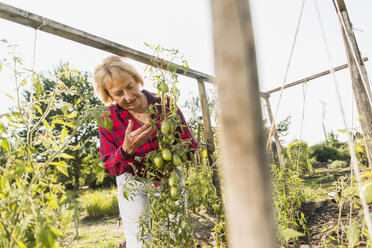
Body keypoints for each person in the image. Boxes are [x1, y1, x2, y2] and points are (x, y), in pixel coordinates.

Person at [93, 55, 197, 248]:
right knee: (139, 240)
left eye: (130, 86)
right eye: (119, 93)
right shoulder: (108, 119)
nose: (128, 96)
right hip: (133, 181)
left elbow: (189, 143)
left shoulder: (163, 104)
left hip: (169, 177)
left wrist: (175, 149)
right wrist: (125, 150)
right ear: (109, 96)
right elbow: (109, 165)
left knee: (176, 232)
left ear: (137, 80)